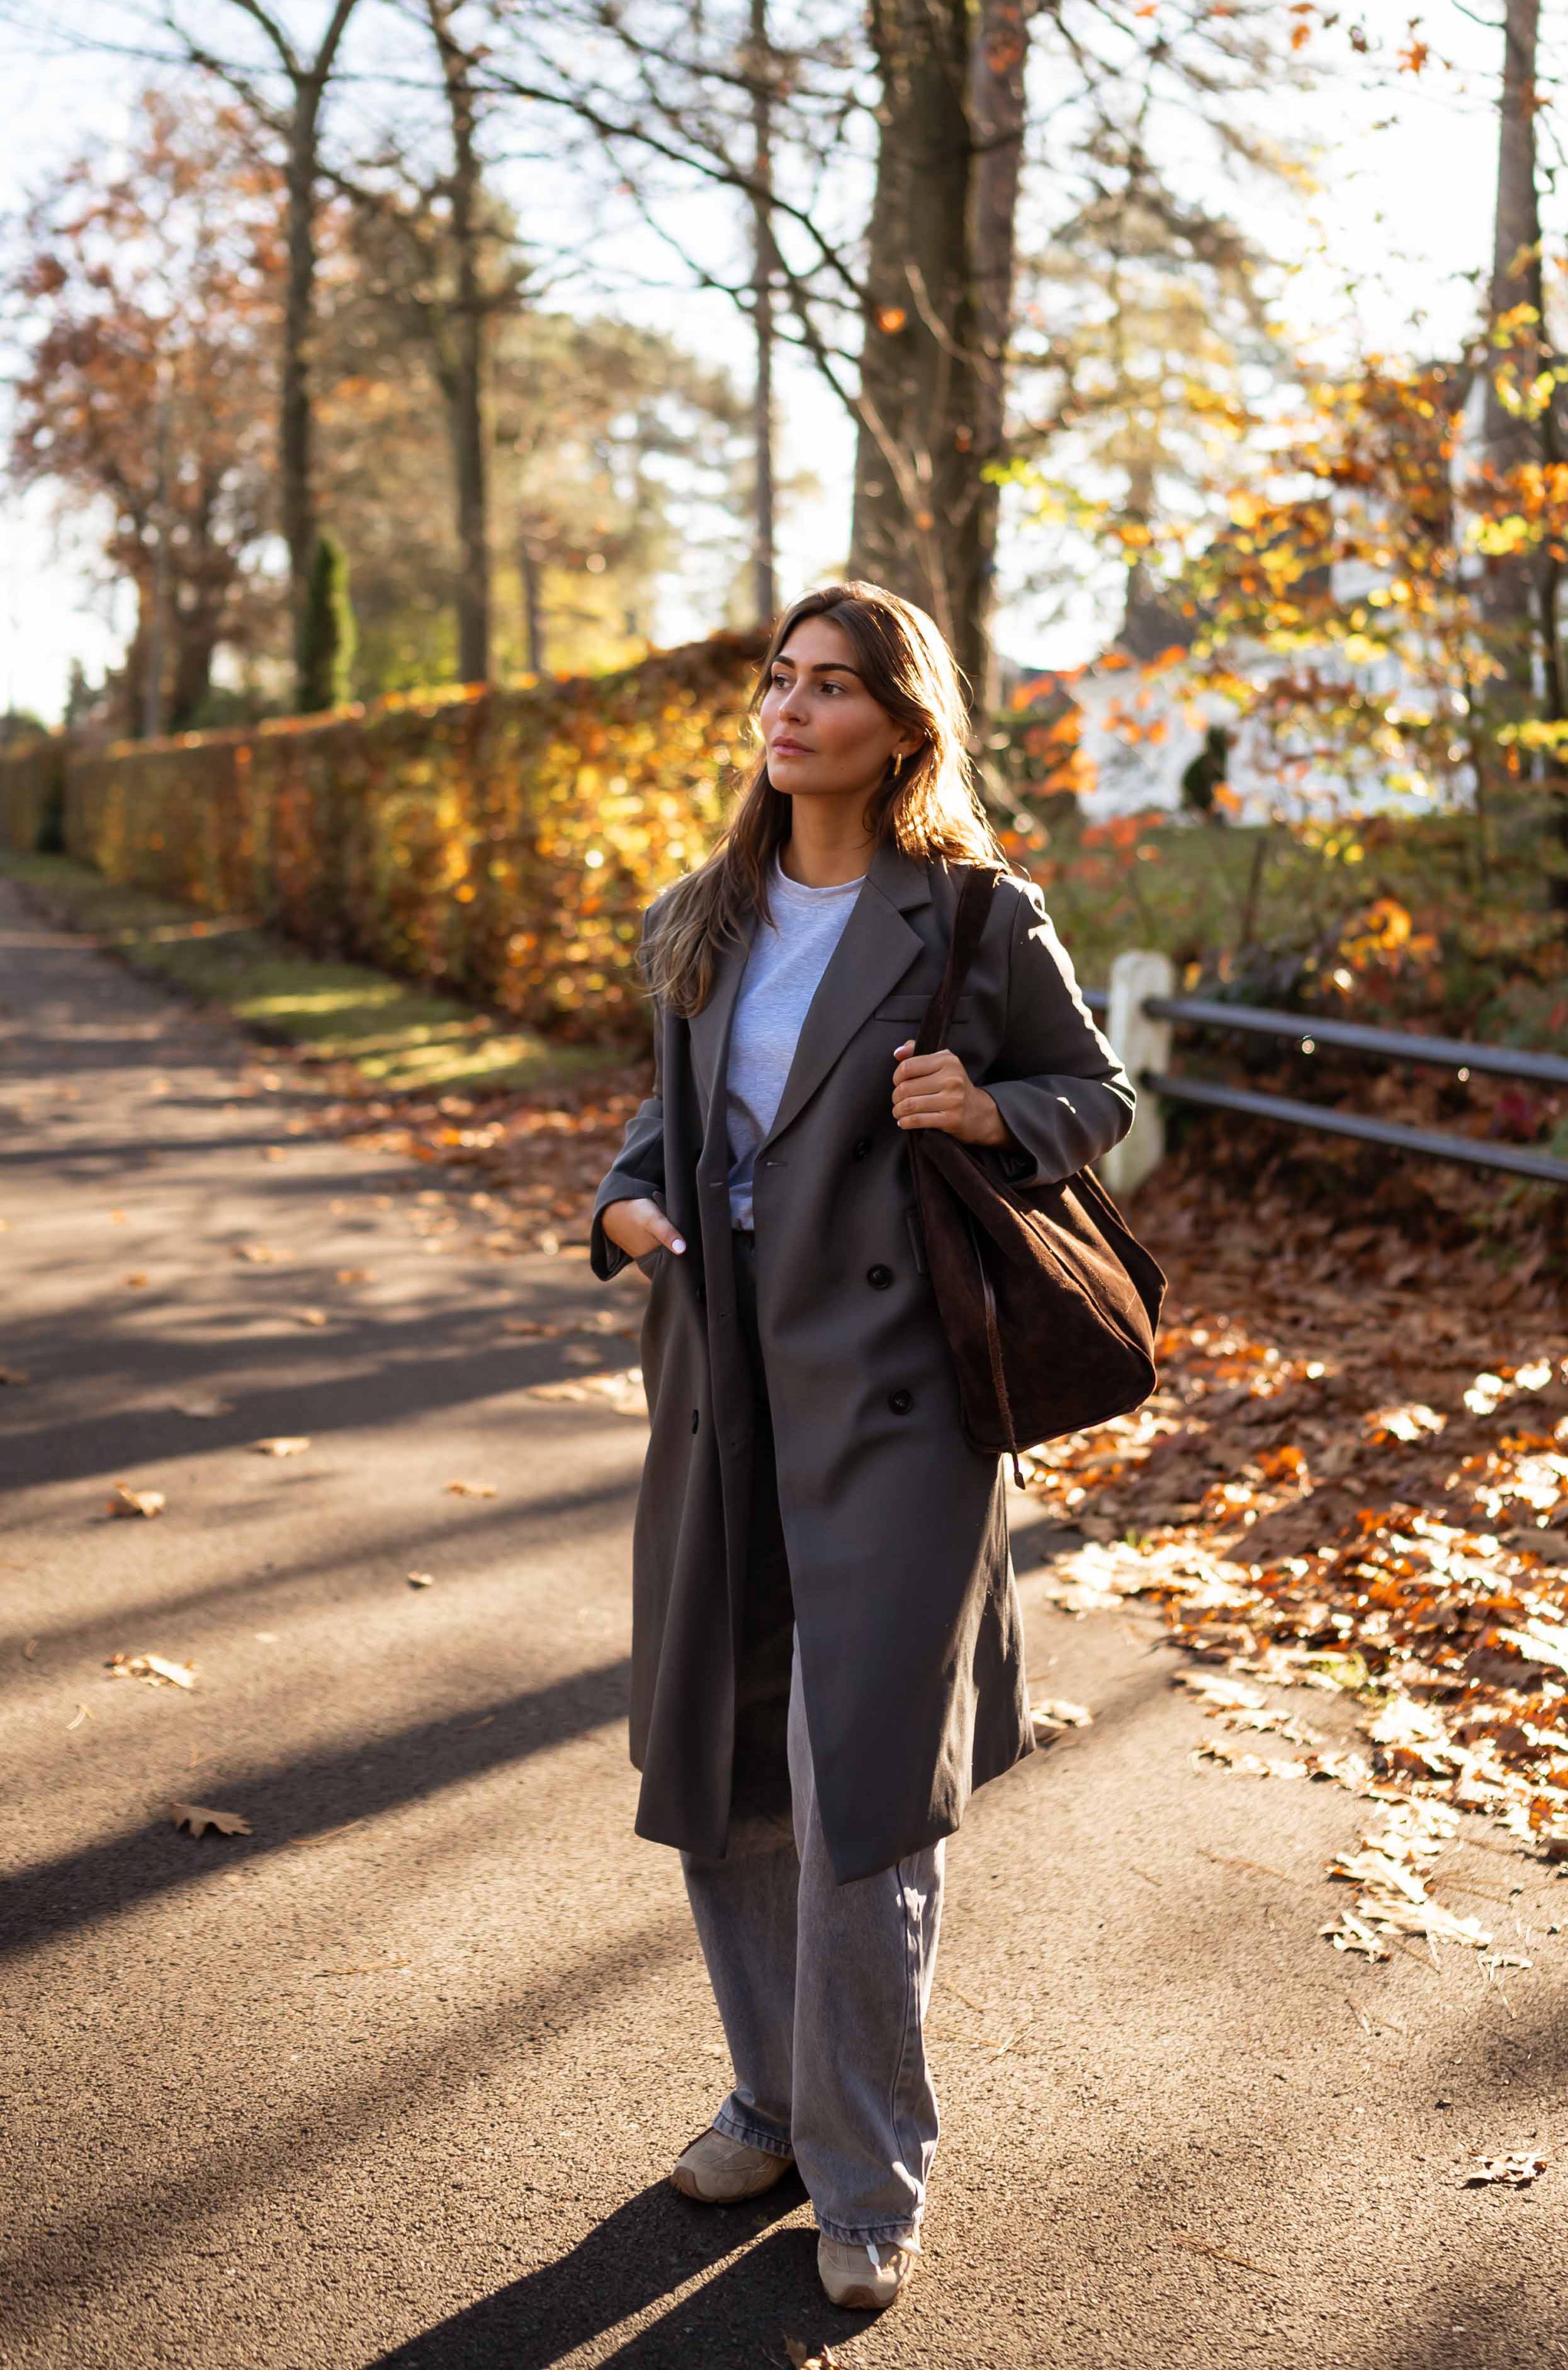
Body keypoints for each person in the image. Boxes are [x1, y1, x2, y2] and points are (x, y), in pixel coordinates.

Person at [590, 580, 1136, 2313]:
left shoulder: (973, 920)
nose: (792, 707)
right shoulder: (706, 911)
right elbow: (662, 1123)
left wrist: (994, 1106)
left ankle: (870, 2164)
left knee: (860, 1793)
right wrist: (618, 1205)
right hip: (722, 1372)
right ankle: (769, 2092)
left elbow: (1095, 1094)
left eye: (834, 686)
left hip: (900, 1393)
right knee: (726, 1765)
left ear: (901, 728)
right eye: (781, 677)